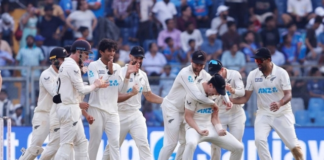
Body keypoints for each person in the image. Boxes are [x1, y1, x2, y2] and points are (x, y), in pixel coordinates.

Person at [230, 48, 304, 160]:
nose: (257, 63)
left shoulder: (281, 73)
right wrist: (230, 101)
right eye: (256, 61)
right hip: (263, 113)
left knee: (294, 147)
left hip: (282, 113)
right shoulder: (253, 75)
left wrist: (280, 103)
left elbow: (288, 94)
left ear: (269, 59)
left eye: (260, 61)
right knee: (259, 141)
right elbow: (245, 98)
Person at [158, 51, 232, 160]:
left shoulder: (204, 74)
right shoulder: (185, 73)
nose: (199, 67)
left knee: (185, 142)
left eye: (201, 64)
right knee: (171, 144)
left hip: (185, 110)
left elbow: (217, 84)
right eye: (196, 64)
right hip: (172, 108)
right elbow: (196, 95)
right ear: (191, 61)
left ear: (205, 63)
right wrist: (213, 103)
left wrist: (227, 99)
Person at [102, 46, 163, 160]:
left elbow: (148, 95)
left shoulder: (143, 75)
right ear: (130, 56)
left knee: (144, 145)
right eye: (136, 57)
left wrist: (165, 101)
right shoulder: (118, 71)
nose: (139, 61)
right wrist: (127, 75)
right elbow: (116, 95)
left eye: (141, 58)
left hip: (135, 114)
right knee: (112, 147)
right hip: (120, 114)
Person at [54, 40, 108, 160]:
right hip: (69, 109)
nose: (87, 57)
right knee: (66, 146)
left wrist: (83, 70)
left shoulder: (66, 65)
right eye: (86, 54)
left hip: (68, 108)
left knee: (82, 143)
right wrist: (96, 84)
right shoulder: (72, 66)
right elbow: (82, 90)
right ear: (78, 52)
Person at [87, 39, 140, 160]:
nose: (112, 53)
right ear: (101, 52)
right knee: (95, 143)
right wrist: (109, 72)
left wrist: (127, 76)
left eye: (113, 51)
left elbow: (122, 88)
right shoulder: (93, 66)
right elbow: (94, 87)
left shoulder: (117, 67)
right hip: (96, 109)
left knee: (115, 144)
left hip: (112, 111)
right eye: (109, 51)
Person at [18, 47, 67, 160]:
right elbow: (56, 95)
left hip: (57, 116)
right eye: (61, 59)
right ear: (53, 60)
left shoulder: (64, 75)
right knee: (35, 148)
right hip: (43, 114)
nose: (63, 62)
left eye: (64, 59)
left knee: (54, 149)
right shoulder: (46, 75)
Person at [183, 74, 244, 160]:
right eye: (217, 91)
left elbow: (214, 116)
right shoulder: (193, 92)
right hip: (194, 128)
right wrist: (199, 130)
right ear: (211, 85)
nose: (218, 94)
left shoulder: (215, 94)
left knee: (238, 148)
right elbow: (188, 117)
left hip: (210, 127)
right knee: (191, 143)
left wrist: (219, 129)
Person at [207, 60, 246, 160]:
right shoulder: (210, 78)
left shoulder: (234, 74)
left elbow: (242, 92)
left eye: (217, 73)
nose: (214, 75)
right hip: (220, 115)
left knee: (237, 145)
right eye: (213, 73)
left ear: (223, 70)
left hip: (236, 114)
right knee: (215, 144)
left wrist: (232, 90)